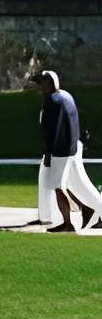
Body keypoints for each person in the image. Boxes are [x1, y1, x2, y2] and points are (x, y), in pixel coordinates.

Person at [34, 69, 102, 233]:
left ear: (49, 83)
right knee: (74, 184)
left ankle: (69, 222)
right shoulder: (66, 96)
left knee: (58, 186)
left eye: (41, 83)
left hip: (61, 151)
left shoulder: (51, 100)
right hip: (72, 148)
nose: (39, 87)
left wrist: (49, 153)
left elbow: (52, 130)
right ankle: (88, 211)